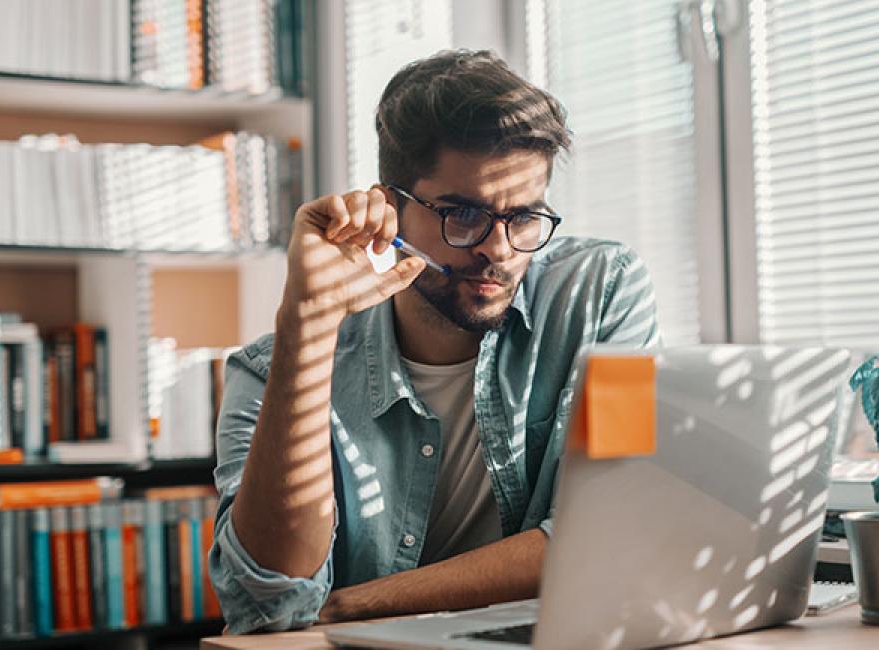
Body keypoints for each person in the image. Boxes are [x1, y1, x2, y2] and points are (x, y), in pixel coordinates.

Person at [209, 49, 661, 634]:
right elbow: (266, 603)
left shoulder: (600, 293)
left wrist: (350, 604)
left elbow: (609, 534)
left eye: (525, 216)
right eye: (462, 214)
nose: (498, 251)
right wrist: (307, 324)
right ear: (391, 208)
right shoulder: (269, 372)